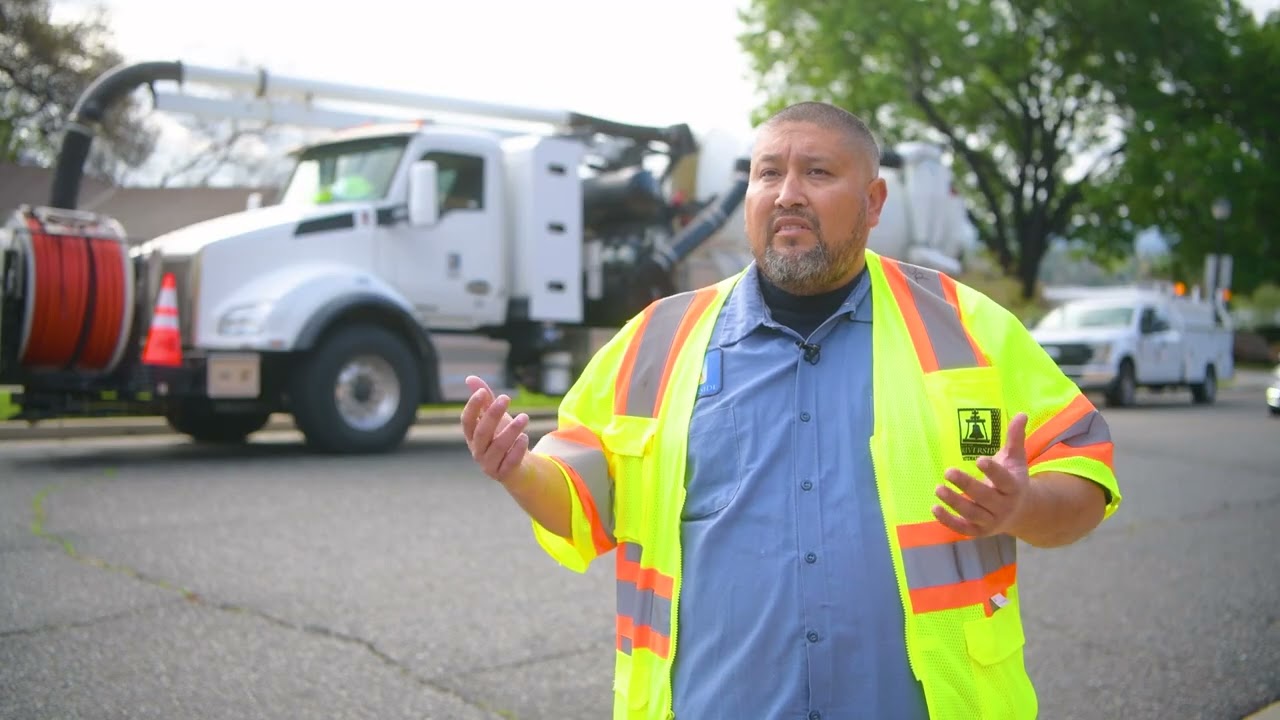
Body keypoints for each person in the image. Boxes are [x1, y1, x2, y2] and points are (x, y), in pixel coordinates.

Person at [460, 101, 1122, 720]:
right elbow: (581, 499)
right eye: (766, 173)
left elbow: (1085, 476)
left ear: (873, 202)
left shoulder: (970, 328)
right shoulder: (656, 339)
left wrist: (1021, 506)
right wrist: (519, 472)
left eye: (818, 172)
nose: (787, 193)